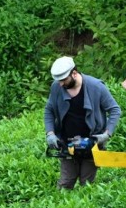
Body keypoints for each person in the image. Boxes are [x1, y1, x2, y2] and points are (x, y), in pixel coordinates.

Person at [44, 56, 121, 190]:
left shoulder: (96, 87)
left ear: (74, 73)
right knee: (65, 184)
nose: (61, 84)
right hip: (67, 142)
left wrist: (107, 134)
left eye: (64, 80)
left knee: (87, 185)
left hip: (91, 142)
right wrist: (50, 133)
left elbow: (114, 110)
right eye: (59, 81)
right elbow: (49, 110)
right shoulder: (57, 87)